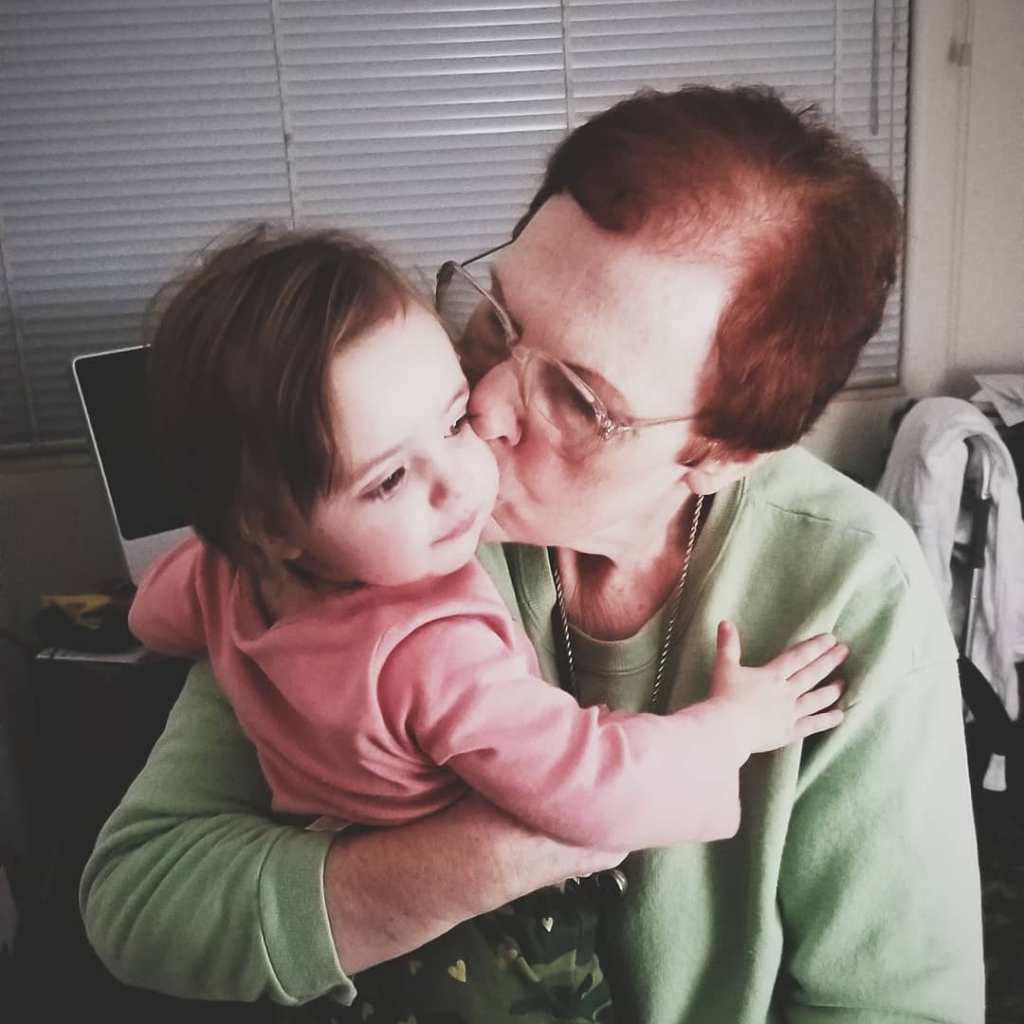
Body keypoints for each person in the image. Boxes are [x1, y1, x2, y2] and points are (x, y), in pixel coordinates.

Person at [81, 85, 985, 1023]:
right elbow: (142, 900)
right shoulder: (368, 536)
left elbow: (900, 1006)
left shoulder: (849, 583)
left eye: (578, 401)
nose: (482, 410)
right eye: (491, 320)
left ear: (721, 456)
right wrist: (525, 842)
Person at [126, 226, 846, 1023]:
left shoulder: (227, 575)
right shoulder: (431, 646)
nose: (463, 477)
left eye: (452, 420)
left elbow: (151, 615)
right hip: (481, 954)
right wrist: (730, 729)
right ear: (272, 525)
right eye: (390, 478)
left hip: (343, 938)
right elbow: (591, 781)